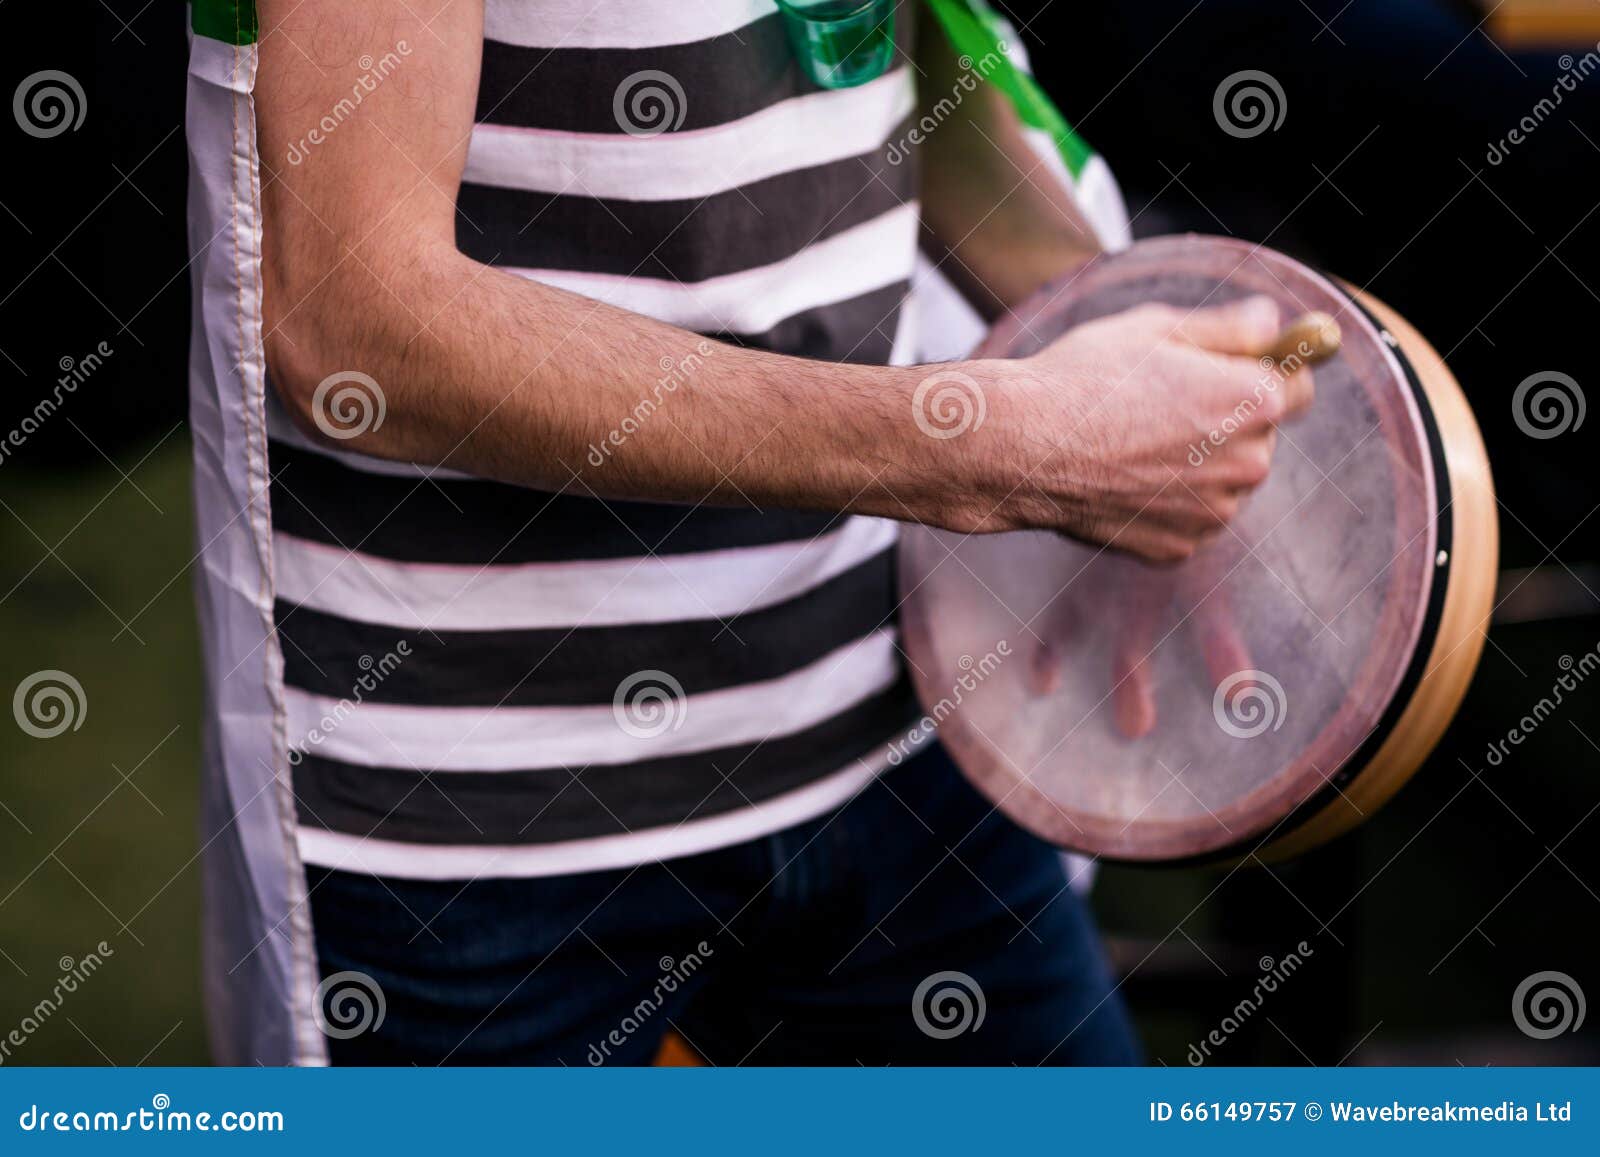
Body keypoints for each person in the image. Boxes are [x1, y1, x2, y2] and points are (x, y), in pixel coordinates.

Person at [184, 0, 1310, 1065]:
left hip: (881, 720)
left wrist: (1121, 404)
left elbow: (883, 61)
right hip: (478, 814)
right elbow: (355, 322)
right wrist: (1000, 448)